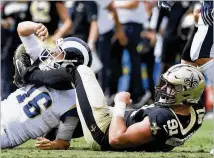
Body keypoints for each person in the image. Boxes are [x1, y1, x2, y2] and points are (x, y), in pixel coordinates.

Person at [15, 50, 206, 151]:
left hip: (105, 132)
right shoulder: (194, 108)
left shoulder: (161, 118)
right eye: (165, 83)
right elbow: (189, 68)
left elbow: (116, 139)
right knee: (59, 120)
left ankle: (27, 75)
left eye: (171, 87)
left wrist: (121, 104)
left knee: (79, 71)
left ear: (187, 93)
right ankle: (43, 132)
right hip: (114, 122)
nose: (164, 89)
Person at [0, 21, 91, 149]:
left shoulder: (73, 100)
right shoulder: (46, 61)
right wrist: (36, 26)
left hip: (7, 134)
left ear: (71, 63)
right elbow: (22, 29)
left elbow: (63, 141)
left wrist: (55, 144)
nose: (53, 51)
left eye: (60, 52)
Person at [158, 1, 214, 154]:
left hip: (211, 13)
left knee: (199, 55)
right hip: (205, 13)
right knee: (187, 66)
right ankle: (182, 124)